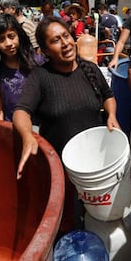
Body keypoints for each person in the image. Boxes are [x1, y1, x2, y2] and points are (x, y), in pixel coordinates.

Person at [12, 16, 120, 231]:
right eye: (55, 40)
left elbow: (108, 96)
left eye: (66, 36)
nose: (65, 43)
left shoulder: (89, 69)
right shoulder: (40, 77)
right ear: (44, 49)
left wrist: (111, 115)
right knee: (68, 223)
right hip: (63, 171)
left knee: (99, 219)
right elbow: (21, 111)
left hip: (95, 166)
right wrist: (26, 136)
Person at [0, 14, 39, 122]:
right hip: (12, 122)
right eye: (1, 39)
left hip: (38, 122)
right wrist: (0, 119)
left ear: (19, 35)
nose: (8, 43)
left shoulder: (36, 61)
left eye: (11, 36)